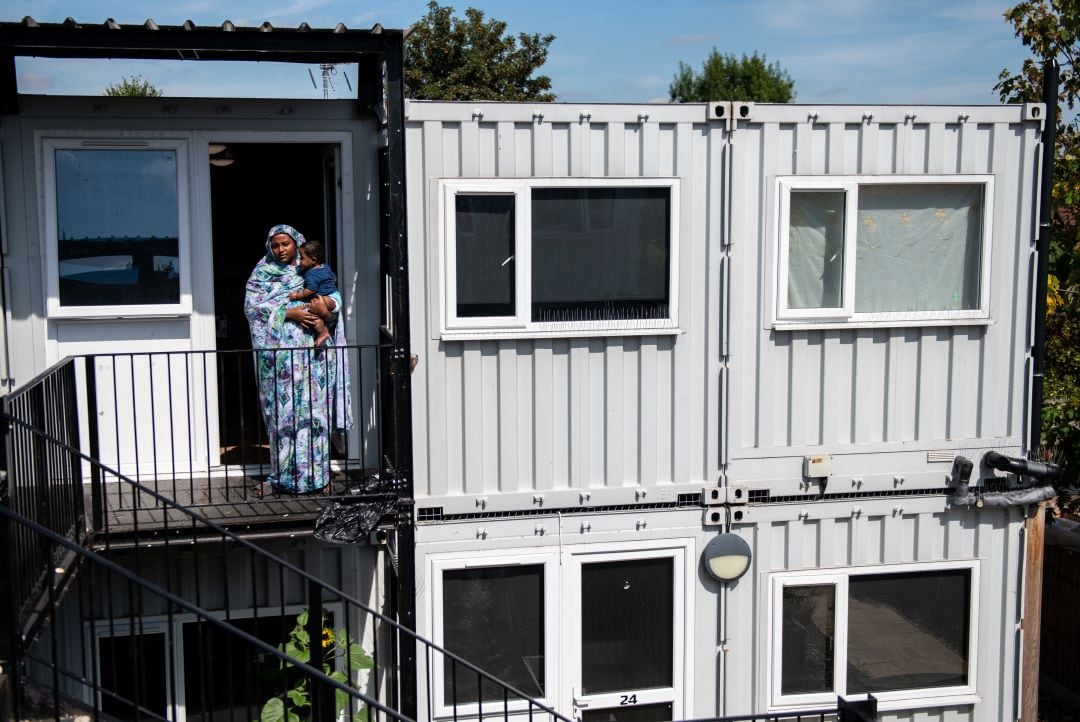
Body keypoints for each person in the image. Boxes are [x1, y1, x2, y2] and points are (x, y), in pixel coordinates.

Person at [244, 224, 352, 494]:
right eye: (276, 245)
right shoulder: (262, 274)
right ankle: (281, 477)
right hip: (279, 363)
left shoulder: (311, 270)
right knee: (283, 416)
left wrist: (326, 311)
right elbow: (252, 309)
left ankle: (319, 477)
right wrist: (288, 313)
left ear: (297, 245)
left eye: (286, 244)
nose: (280, 250)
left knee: (314, 414)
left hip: (312, 360)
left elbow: (332, 302)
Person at [289, 239, 339, 347]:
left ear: (313, 260)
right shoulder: (325, 266)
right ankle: (323, 332)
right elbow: (333, 277)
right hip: (335, 296)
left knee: (315, 306)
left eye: (302, 258)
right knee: (315, 316)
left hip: (327, 299)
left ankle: (322, 332)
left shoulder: (311, 274)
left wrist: (297, 295)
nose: (299, 261)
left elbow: (311, 290)